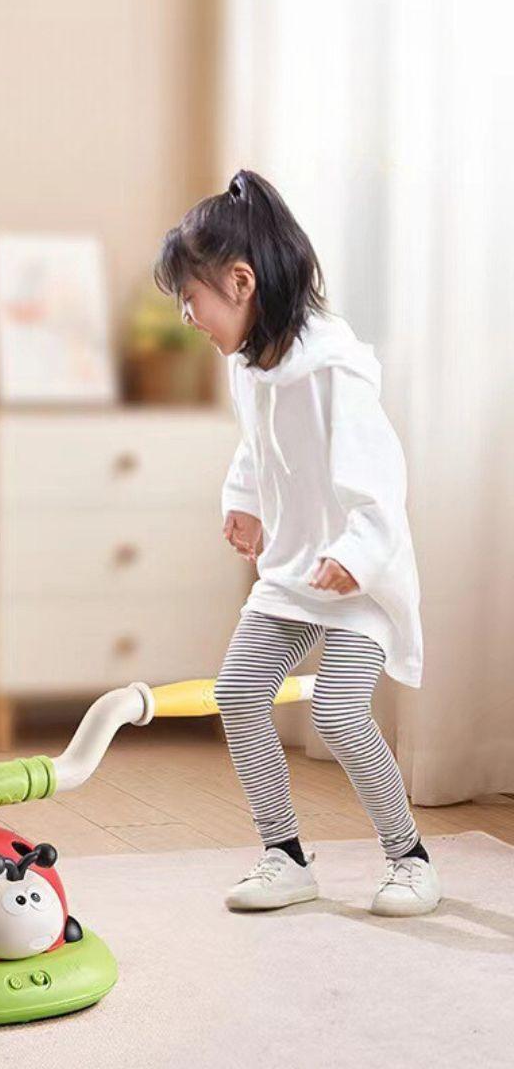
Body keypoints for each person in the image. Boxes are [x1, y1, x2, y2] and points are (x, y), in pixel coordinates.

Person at [153, 169, 439, 917]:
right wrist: (244, 502)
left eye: (191, 297)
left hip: (361, 576)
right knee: (238, 692)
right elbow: (256, 447)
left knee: (340, 712)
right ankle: (285, 855)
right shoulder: (251, 368)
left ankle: (409, 857)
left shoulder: (335, 371)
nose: (187, 316)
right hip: (295, 570)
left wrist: (356, 554)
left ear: (240, 282)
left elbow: (381, 478)